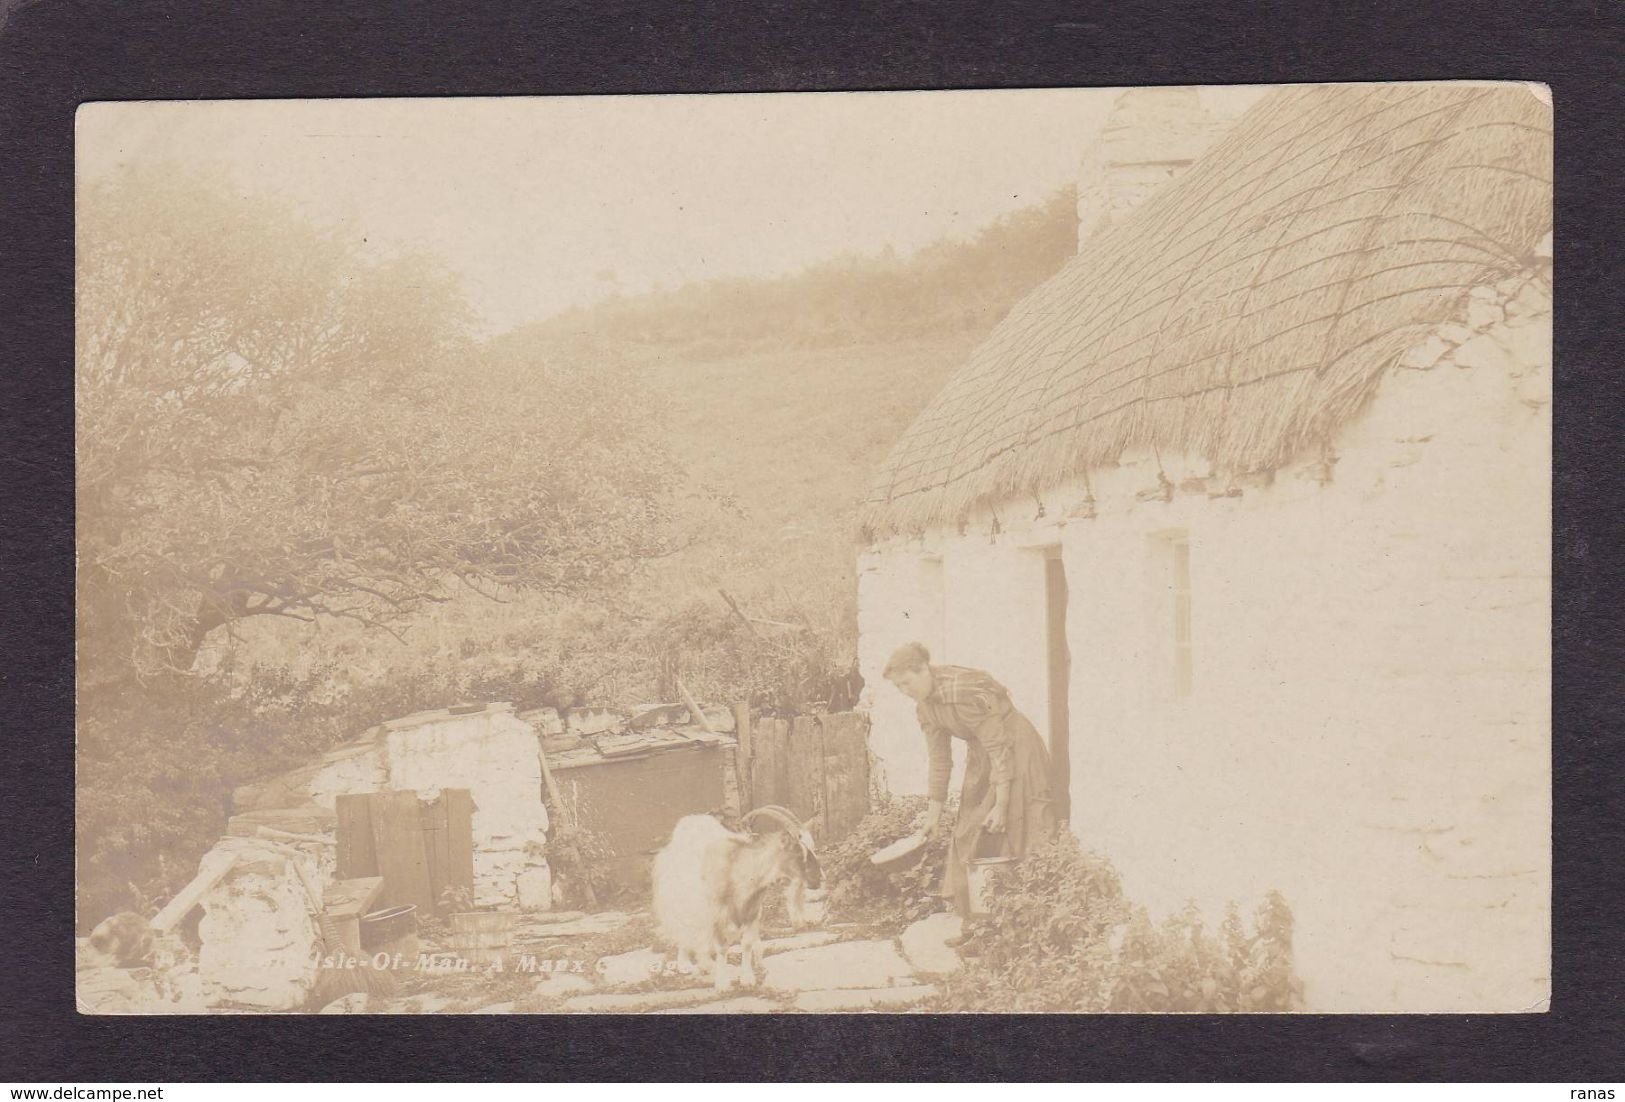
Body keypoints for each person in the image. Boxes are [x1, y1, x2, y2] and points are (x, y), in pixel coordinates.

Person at [882, 642, 1057, 915]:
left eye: (907, 682)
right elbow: (940, 762)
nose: (906, 692)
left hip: (1016, 750)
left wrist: (1000, 804)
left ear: (924, 670)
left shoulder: (963, 692)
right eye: (898, 687)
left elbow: (999, 749)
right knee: (967, 831)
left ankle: (1023, 918)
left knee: (1017, 826)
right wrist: (933, 817)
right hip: (983, 755)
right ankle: (976, 922)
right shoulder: (925, 707)